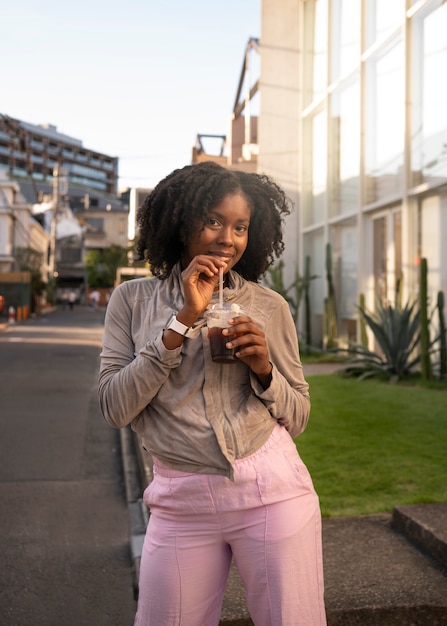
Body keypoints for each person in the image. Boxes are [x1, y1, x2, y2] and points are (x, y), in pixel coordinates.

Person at [98, 161, 326, 626]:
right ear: (180, 223)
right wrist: (180, 322)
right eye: (214, 220)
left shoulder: (268, 306)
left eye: (240, 226)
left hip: (272, 492)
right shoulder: (132, 301)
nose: (228, 238)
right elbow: (113, 408)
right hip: (181, 502)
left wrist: (263, 368)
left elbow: (299, 415)